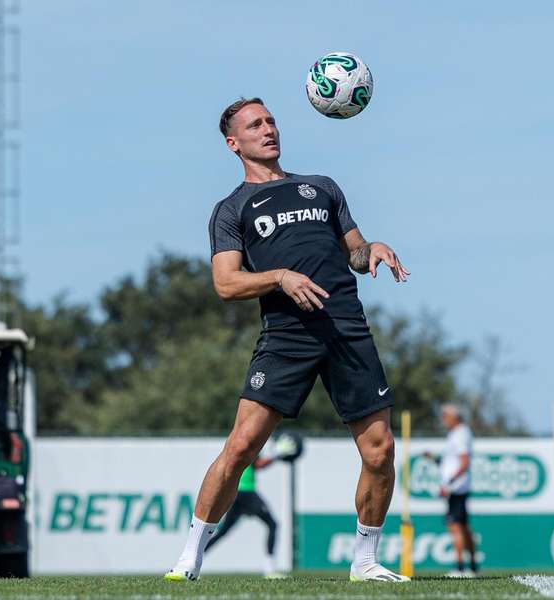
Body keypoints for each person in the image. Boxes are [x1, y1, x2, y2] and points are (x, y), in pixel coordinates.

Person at [165, 97, 411, 583]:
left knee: (380, 450)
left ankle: (365, 561)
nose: (268, 129)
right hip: (287, 338)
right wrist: (279, 276)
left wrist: (372, 249)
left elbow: (355, 254)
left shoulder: (321, 188)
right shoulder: (231, 209)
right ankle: (190, 556)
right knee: (241, 447)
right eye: (255, 124)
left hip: (346, 329)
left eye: (271, 120)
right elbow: (225, 283)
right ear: (234, 143)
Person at [203, 456, 283, 578]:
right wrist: (278, 455)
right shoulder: (252, 441)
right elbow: (259, 464)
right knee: (272, 524)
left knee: (222, 532)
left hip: (235, 492)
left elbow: (255, 465)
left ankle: (194, 559)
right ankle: (269, 569)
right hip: (246, 493)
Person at [426, 404, 477, 577]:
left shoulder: (461, 434)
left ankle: (460, 567)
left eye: (446, 415)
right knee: (462, 527)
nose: (443, 419)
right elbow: (450, 463)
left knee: (455, 527)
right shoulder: (455, 434)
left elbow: (464, 463)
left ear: (455, 416)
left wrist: (449, 483)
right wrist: (433, 458)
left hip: (456, 488)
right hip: (456, 486)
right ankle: (472, 565)